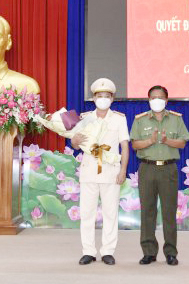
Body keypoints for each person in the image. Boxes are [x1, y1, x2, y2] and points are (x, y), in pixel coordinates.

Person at [130, 85, 189, 266]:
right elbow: (134, 145)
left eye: (160, 97)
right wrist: (150, 141)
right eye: (153, 97)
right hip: (147, 169)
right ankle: (149, 252)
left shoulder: (176, 119)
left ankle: (171, 253)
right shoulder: (140, 120)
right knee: (148, 211)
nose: (156, 100)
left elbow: (182, 143)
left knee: (169, 212)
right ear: (149, 100)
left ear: (166, 100)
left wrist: (167, 141)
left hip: (168, 169)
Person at [71, 78, 129, 266]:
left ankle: (107, 251)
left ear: (112, 99)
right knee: (87, 213)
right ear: (93, 98)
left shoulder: (119, 118)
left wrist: (123, 170)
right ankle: (88, 251)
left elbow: (124, 146)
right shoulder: (85, 117)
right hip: (89, 171)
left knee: (110, 213)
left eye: (107, 96)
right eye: (99, 96)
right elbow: (75, 143)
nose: (103, 99)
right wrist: (75, 141)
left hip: (111, 172)